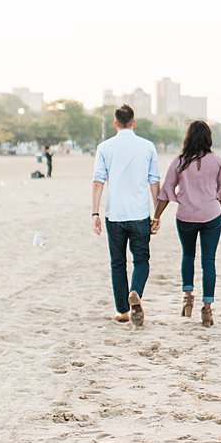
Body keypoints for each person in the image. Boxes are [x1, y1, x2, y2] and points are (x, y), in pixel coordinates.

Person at [153, 120, 221, 327]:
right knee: (209, 261)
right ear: (208, 138)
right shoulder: (217, 161)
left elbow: (166, 191)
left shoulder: (180, 161)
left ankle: (188, 298)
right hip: (211, 216)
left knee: (188, 254)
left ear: (188, 137)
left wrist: (157, 216)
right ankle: (207, 310)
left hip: (186, 216)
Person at [91, 105, 160, 326]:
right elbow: (154, 181)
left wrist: (95, 213)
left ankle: (122, 310)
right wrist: (157, 213)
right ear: (134, 122)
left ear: (115, 123)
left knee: (118, 262)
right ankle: (136, 291)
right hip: (139, 213)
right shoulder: (147, 147)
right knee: (141, 260)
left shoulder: (105, 147)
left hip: (115, 214)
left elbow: (98, 181)